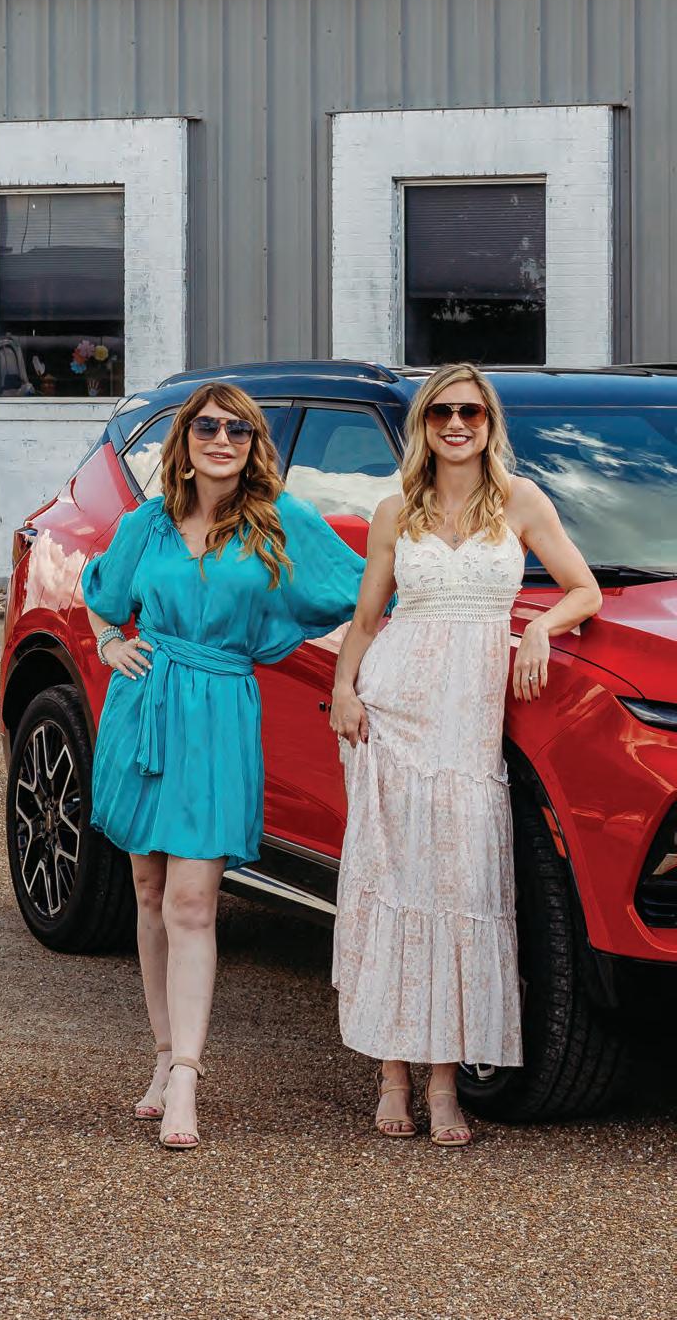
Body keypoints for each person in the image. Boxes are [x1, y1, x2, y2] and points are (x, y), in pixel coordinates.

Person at [82, 381, 364, 1150]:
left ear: (253, 445)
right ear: (184, 441)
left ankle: (186, 1076)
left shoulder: (279, 520)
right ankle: (161, 1053)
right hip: (145, 708)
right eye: (206, 426)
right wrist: (109, 641)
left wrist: (354, 672)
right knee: (149, 891)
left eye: (238, 429)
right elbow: (100, 591)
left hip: (219, 716)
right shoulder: (147, 524)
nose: (221, 439)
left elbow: (364, 589)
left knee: (193, 901)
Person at [329, 363, 601, 1147]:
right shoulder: (396, 509)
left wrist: (539, 626)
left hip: (467, 728)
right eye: (442, 411)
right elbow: (368, 617)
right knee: (394, 881)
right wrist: (344, 687)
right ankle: (392, 1074)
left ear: (488, 424)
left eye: (471, 413)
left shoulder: (521, 500)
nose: (456, 424)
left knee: (459, 885)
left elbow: (583, 588)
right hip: (393, 711)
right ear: (424, 423)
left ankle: (444, 1082)